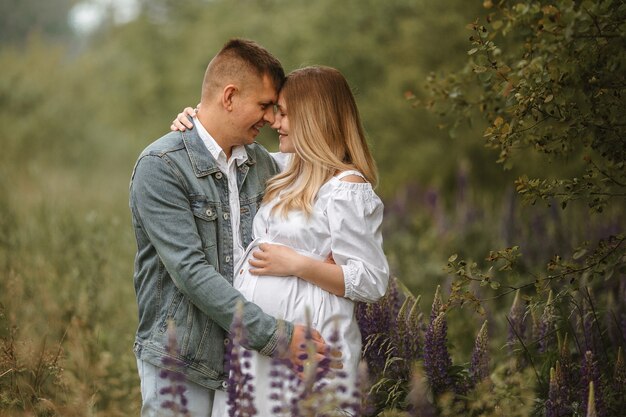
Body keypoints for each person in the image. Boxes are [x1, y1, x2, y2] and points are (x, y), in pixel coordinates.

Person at [172, 65, 389, 415]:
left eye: (284, 113)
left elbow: (372, 281)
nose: (275, 122)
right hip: (259, 348)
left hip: (312, 344)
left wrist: (299, 265)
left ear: (313, 119)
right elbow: (224, 154)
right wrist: (197, 122)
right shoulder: (284, 168)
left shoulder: (346, 188)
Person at [129, 38, 328, 417]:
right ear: (230, 96)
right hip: (182, 364)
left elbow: (330, 173)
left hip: (246, 364)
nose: (271, 119)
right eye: (265, 105)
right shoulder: (162, 166)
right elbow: (191, 272)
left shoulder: (263, 164)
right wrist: (277, 336)